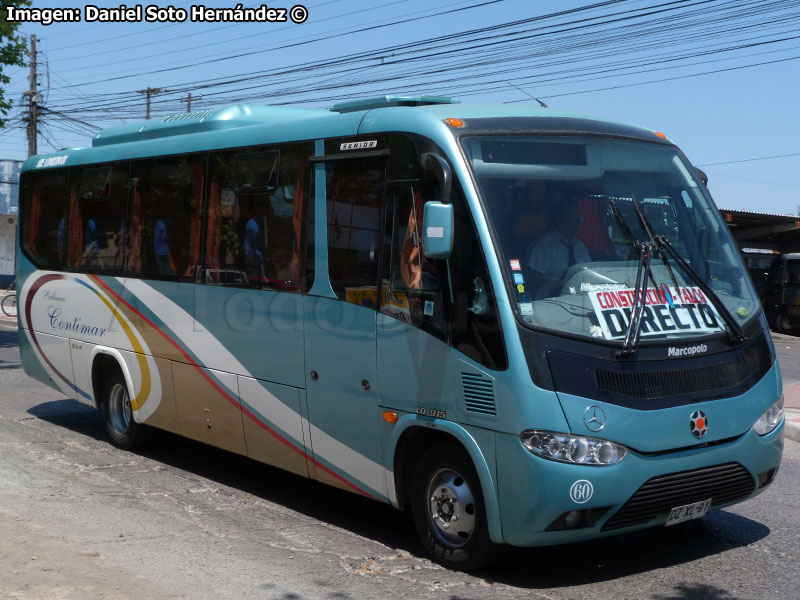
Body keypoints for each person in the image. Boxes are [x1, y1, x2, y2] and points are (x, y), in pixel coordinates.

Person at [527, 195, 591, 298]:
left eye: (579, 215)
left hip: (580, 300)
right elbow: (532, 283)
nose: (577, 220)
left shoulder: (580, 247)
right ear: (560, 217)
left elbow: (590, 276)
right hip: (551, 302)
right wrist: (560, 283)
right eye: (572, 215)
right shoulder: (545, 245)